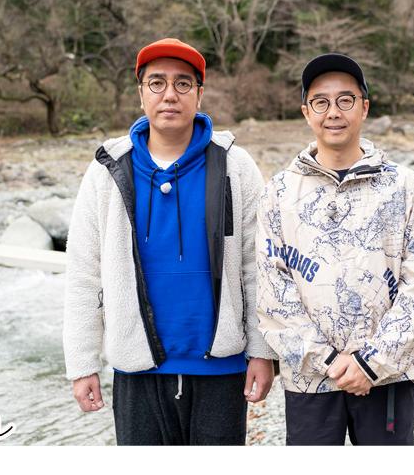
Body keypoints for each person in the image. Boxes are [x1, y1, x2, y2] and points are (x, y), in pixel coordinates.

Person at [63, 38, 275, 445]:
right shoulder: (108, 171)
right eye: (156, 83)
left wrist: (263, 352)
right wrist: (82, 363)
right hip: (136, 368)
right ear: (140, 92)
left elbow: (259, 266)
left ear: (199, 93)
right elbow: (83, 275)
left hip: (221, 367)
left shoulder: (235, 165)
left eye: (182, 84)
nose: (169, 95)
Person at [255, 53, 414, 445]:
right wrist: (329, 362)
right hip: (310, 380)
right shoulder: (280, 193)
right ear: (306, 112)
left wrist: (370, 364)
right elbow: (274, 295)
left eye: (345, 100)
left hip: (388, 377)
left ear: (364, 107)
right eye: (320, 102)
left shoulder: (403, 187)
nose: (333, 112)